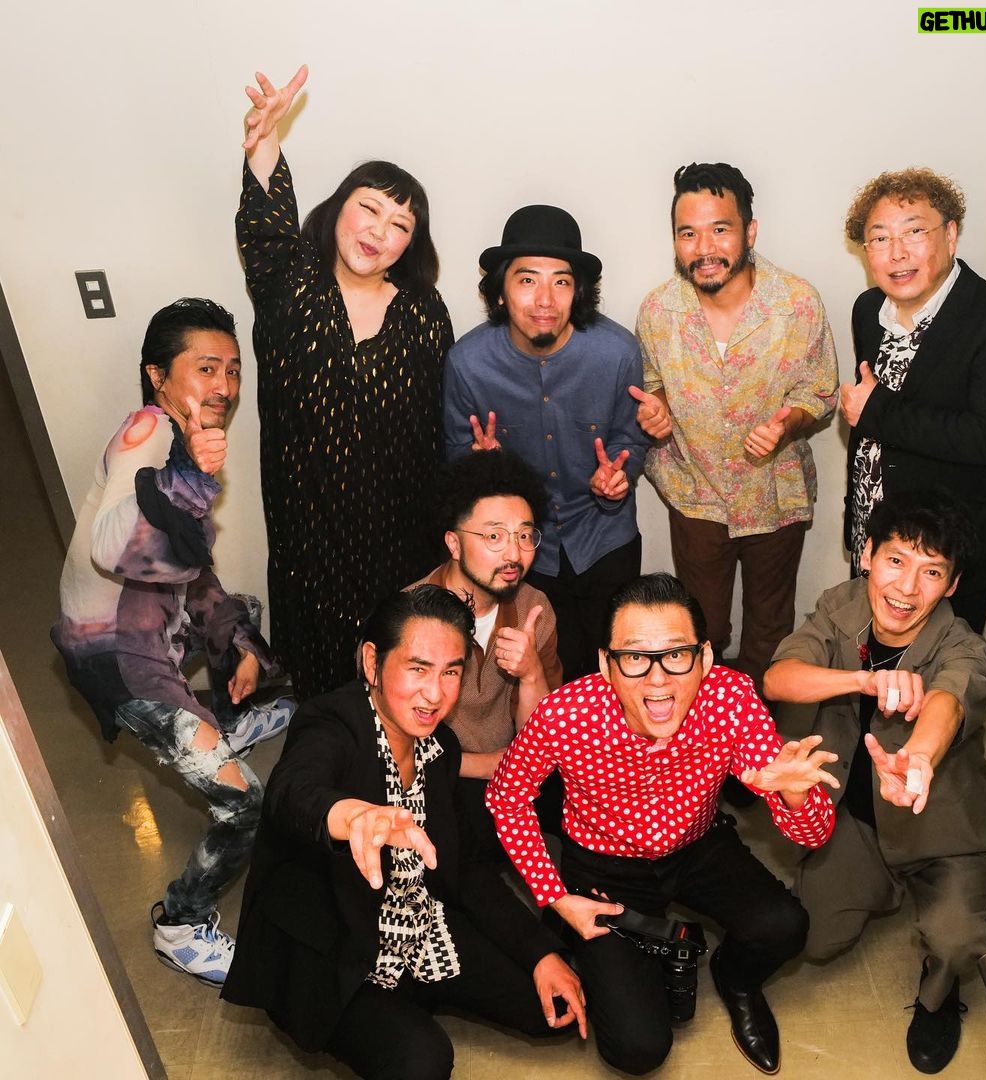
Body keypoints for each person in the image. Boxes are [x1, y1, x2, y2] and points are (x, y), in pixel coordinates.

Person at [222, 586, 586, 1080]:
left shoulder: (440, 747)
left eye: (451, 672)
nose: (435, 694)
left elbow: (464, 867)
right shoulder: (332, 720)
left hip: (419, 919)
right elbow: (293, 790)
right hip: (338, 943)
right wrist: (350, 816)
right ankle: (388, 1012)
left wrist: (540, 953)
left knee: (553, 1007)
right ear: (373, 662)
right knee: (423, 1061)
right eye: (418, 668)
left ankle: (415, 995)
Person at [487, 572, 838, 1075]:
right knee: (638, 1048)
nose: (657, 680)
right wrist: (555, 896)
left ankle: (735, 976)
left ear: (706, 657)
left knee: (786, 925)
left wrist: (796, 795)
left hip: (699, 846)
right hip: (603, 867)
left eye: (676, 654)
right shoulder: (564, 713)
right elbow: (507, 797)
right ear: (606, 664)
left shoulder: (731, 697)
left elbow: (816, 834)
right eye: (634, 658)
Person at [51, 298, 293, 986]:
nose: (224, 385)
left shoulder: (178, 437)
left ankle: (226, 723)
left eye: (233, 370)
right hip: (118, 657)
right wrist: (189, 478)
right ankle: (180, 925)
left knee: (240, 615)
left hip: (151, 621)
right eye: (206, 367)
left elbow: (189, 566)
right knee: (245, 804)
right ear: (158, 376)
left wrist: (240, 642)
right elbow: (112, 547)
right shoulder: (151, 430)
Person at [765, 490, 986, 1074]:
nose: (906, 588)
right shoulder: (840, 605)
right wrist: (862, 681)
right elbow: (779, 679)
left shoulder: (964, 646)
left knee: (956, 941)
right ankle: (879, 881)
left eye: (932, 572)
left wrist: (919, 757)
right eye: (896, 560)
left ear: (952, 585)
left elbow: (951, 698)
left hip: (942, 827)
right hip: (855, 816)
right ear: (868, 553)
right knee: (812, 938)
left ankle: (939, 990)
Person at [238, 65, 453, 699]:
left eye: (400, 225)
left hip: (399, 536)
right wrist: (264, 140)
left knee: (398, 674)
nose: (379, 232)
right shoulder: (289, 284)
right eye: (370, 208)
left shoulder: (424, 313)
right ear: (338, 208)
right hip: (306, 534)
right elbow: (266, 224)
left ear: (410, 244)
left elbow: (439, 423)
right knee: (324, 682)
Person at [635, 162, 838, 695]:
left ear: (750, 231)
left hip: (775, 493)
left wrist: (787, 424)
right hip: (695, 493)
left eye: (720, 229)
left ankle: (758, 734)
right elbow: (654, 384)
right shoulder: (658, 311)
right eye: (688, 233)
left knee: (770, 629)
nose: (704, 248)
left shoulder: (797, 303)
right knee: (701, 630)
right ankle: (707, 730)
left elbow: (819, 392)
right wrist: (657, 411)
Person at [442, 204, 650, 682]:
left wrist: (619, 477)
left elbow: (630, 437)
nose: (545, 299)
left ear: (578, 291)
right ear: (500, 290)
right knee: (537, 676)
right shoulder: (467, 363)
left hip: (605, 539)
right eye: (526, 279)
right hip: (520, 550)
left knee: (615, 670)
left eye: (561, 281)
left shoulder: (617, 352)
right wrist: (481, 473)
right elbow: (455, 456)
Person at [840, 167, 986, 635]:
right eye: (879, 238)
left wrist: (875, 413)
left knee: (945, 674)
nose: (897, 252)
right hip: (877, 539)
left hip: (947, 553)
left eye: (914, 232)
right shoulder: (868, 310)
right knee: (872, 667)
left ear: (950, 235)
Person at [409, 449, 563, 856]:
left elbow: (542, 741)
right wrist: (488, 765)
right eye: (494, 536)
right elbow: (388, 742)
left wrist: (531, 673)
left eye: (524, 536)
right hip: (434, 774)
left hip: (514, 769)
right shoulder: (409, 618)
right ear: (454, 543)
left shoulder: (534, 608)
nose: (513, 554)